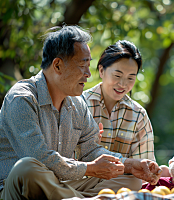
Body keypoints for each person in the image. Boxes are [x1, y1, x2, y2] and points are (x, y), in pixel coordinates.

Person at [0, 25, 161, 200]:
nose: (88, 74)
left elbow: (91, 149)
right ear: (58, 65)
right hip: (21, 187)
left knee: (130, 181)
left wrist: (130, 165)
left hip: (61, 184)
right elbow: (39, 157)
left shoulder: (77, 103)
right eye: (82, 65)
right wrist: (89, 168)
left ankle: (73, 198)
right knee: (27, 168)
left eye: (88, 64)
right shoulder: (22, 98)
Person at [81, 40, 158, 191]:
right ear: (101, 71)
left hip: (116, 185)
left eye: (131, 78)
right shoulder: (80, 104)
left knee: (133, 183)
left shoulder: (138, 115)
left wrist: (151, 171)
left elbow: (144, 168)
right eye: (117, 75)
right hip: (80, 180)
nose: (123, 84)